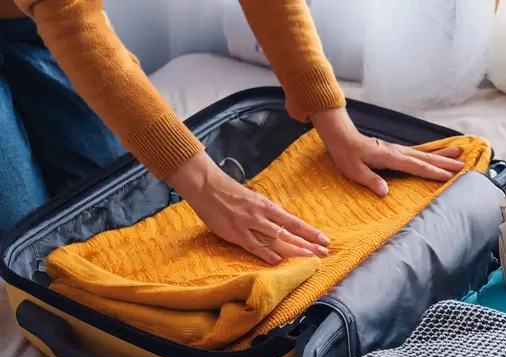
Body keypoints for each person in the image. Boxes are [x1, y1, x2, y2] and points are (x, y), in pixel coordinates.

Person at [0, 0, 466, 264]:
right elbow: (72, 18)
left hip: (31, 21)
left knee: (86, 209)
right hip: (53, 15)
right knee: (20, 236)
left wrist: (335, 121)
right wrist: (204, 184)